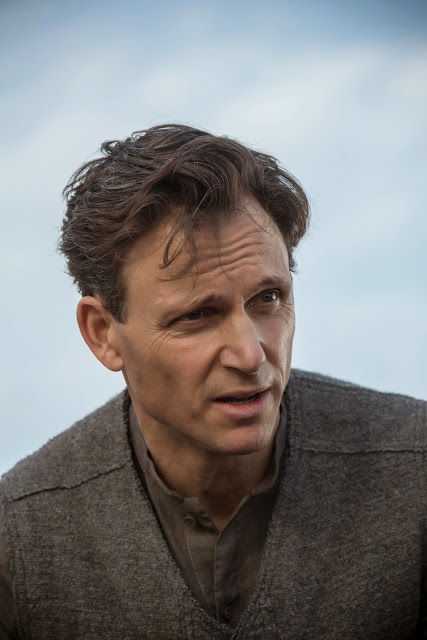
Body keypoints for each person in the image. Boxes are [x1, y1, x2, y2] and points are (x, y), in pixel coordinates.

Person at [0, 124, 425, 639]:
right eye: (197, 315)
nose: (250, 354)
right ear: (103, 334)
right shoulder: (19, 537)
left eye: (268, 298)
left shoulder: (416, 468)